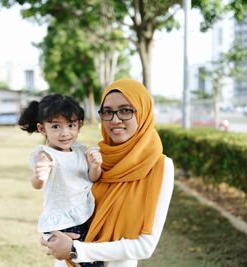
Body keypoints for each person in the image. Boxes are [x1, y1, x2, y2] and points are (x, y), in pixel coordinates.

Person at [42, 79, 175, 267]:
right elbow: (58, 204)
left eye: (126, 110)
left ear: (143, 112)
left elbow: (145, 246)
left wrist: (76, 249)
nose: (115, 119)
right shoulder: (93, 157)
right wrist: (52, 236)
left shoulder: (160, 166)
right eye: (107, 111)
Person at [18, 94, 104, 267]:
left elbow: (92, 178)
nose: (65, 133)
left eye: (71, 125)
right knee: (89, 263)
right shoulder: (46, 155)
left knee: (94, 259)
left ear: (79, 125)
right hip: (63, 222)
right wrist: (39, 176)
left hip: (83, 215)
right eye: (56, 126)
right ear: (42, 129)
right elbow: (37, 184)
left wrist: (95, 167)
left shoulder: (81, 150)